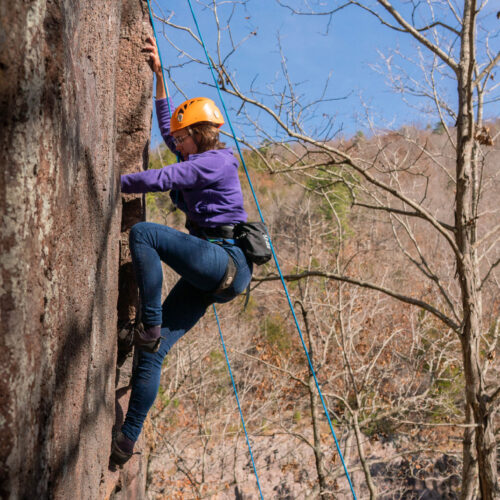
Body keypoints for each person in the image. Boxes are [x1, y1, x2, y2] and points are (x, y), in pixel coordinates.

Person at [110, 37, 252, 465]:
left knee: (146, 235)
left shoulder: (217, 161)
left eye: (181, 136)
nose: (175, 141)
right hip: (209, 273)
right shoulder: (196, 155)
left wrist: (112, 181)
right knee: (151, 357)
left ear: (196, 135)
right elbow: (166, 127)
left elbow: (163, 175)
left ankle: (148, 324)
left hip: (226, 260)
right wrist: (158, 75)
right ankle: (125, 442)